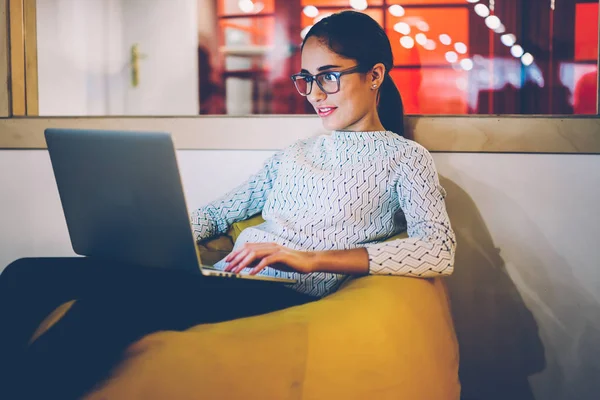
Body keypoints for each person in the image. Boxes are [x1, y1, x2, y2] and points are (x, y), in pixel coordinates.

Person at [0, 10, 455, 400]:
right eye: (307, 79)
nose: (315, 93)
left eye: (329, 77)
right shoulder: (295, 153)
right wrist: (155, 238)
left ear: (375, 75)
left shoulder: (403, 158)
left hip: (280, 289)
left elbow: (437, 248)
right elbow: (219, 213)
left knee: (115, 305)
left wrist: (311, 258)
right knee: (26, 272)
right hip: (228, 271)